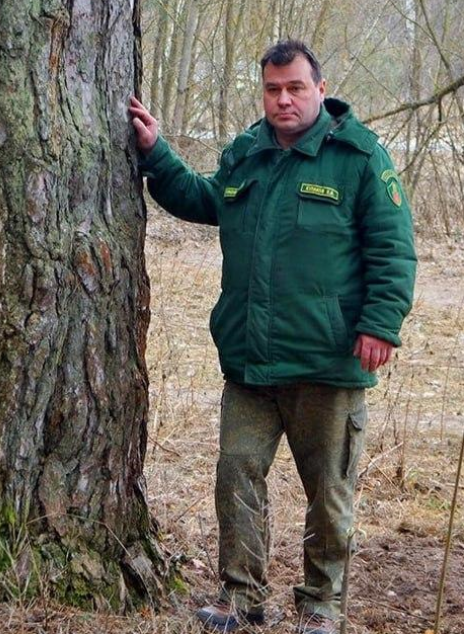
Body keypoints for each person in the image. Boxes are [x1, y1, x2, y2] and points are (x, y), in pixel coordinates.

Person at [128, 40, 416, 634]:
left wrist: (380, 325)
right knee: (236, 472)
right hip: (251, 362)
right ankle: (241, 598)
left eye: (295, 88)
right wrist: (157, 154)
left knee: (329, 494)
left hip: (327, 361)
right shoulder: (247, 154)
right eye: (272, 89)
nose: (283, 99)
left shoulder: (360, 158)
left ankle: (320, 605)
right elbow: (206, 200)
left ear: (319, 87)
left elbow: (394, 250)